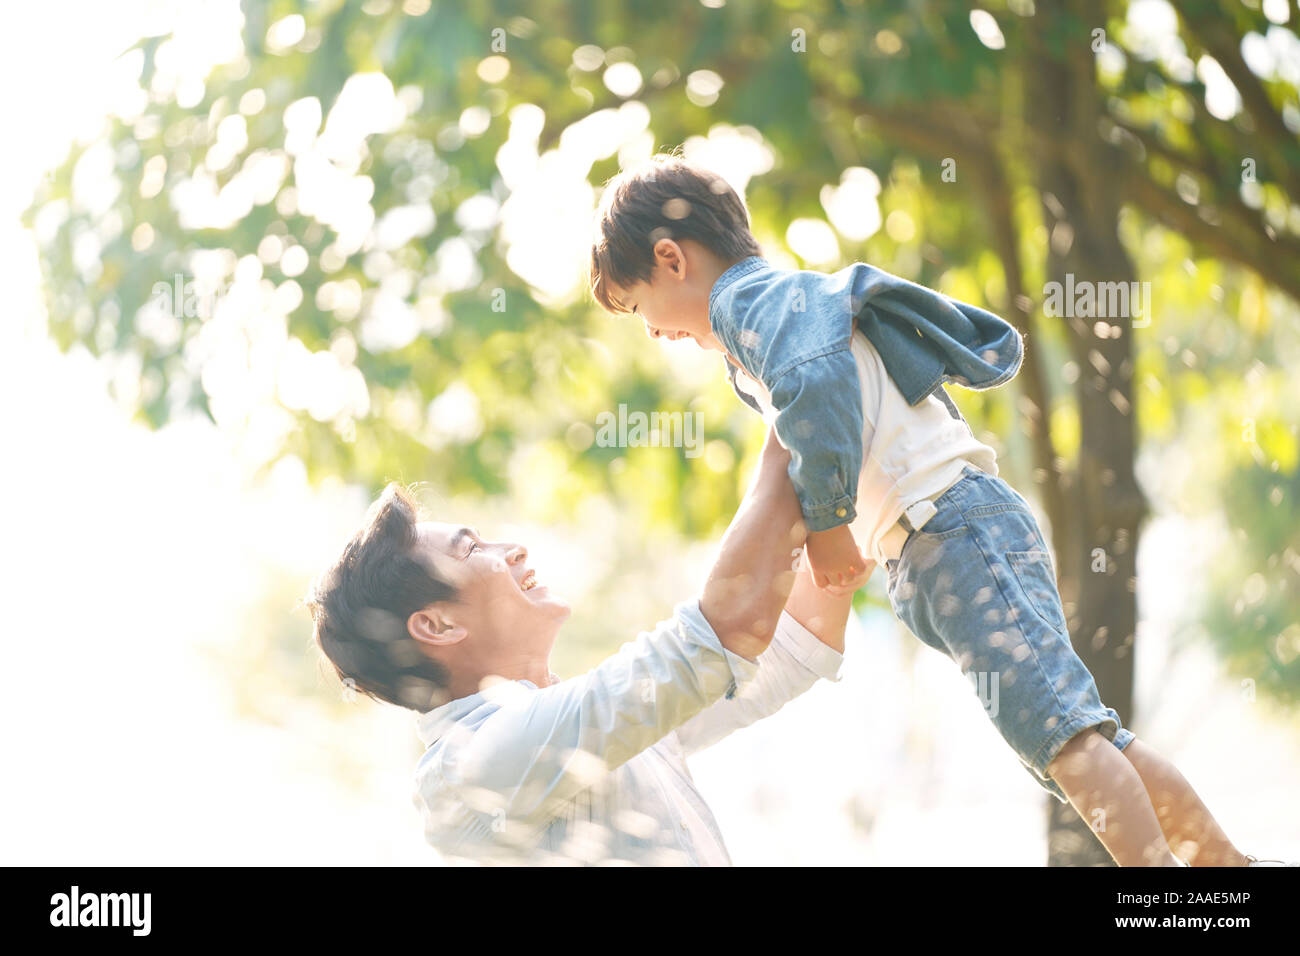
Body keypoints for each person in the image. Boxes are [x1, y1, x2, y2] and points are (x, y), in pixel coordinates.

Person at [587, 152, 1259, 867]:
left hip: (951, 528)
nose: (654, 333)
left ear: (670, 259)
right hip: (948, 536)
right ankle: (1229, 872)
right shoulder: (780, 310)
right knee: (1077, 735)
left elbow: (816, 393)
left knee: (1066, 741)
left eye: (637, 309)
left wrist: (829, 524)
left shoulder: (758, 306)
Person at [306, 428, 857, 864]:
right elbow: (716, 639)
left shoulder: (594, 727)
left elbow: (789, 646)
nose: (514, 548)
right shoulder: (469, 771)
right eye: (471, 547)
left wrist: (860, 489)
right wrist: (793, 406)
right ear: (438, 626)